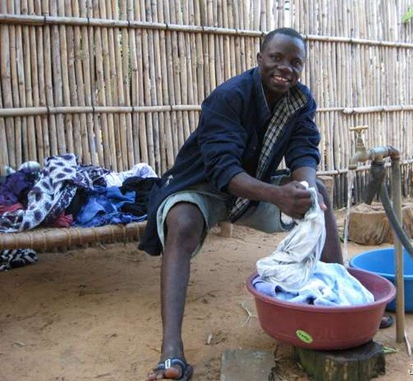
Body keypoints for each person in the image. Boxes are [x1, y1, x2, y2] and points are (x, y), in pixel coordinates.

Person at [139, 27, 344, 381]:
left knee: (319, 194)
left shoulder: (300, 101)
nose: (286, 68)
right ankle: (171, 350)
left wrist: (305, 190)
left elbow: (304, 149)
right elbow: (223, 168)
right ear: (259, 58)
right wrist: (279, 195)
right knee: (182, 224)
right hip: (204, 187)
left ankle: (345, 302)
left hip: (256, 188)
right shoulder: (228, 97)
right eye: (277, 58)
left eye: (296, 62)